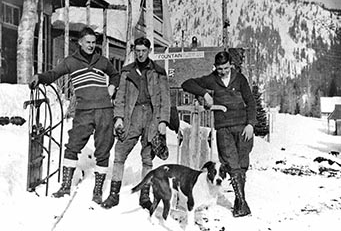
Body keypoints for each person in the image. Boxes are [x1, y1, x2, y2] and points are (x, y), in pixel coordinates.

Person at [29, 26, 120, 204]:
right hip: (83, 111)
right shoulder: (71, 61)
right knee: (72, 147)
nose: (91, 45)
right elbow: (53, 74)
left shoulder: (102, 61)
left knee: (103, 149)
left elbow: (115, 75)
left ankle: (98, 190)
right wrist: (39, 77)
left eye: (94, 43)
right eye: (88, 42)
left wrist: (111, 88)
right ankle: (65, 187)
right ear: (80, 42)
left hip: (104, 110)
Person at [181, 51, 256, 217]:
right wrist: (205, 93)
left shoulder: (240, 79)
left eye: (226, 67)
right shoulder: (211, 79)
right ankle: (241, 202)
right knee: (231, 163)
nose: (223, 71)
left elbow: (251, 101)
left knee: (242, 164)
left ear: (231, 65)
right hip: (223, 129)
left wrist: (251, 124)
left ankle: (239, 200)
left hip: (243, 127)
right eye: (220, 68)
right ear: (216, 67)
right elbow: (187, 83)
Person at [101, 37, 171, 209]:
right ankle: (113, 195)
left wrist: (163, 121)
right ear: (134, 51)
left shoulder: (158, 72)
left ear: (149, 51)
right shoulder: (126, 72)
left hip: (152, 117)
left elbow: (165, 99)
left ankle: (144, 196)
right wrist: (118, 118)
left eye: (144, 51)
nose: (140, 54)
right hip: (131, 115)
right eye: (137, 51)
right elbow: (120, 98)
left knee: (147, 158)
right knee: (119, 153)